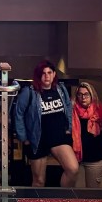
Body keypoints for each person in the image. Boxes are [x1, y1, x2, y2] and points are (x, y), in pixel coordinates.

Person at [14, 60, 79, 188]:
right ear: (38, 75)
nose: (47, 76)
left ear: (54, 74)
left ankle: (63, 198)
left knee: (73, 169)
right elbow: (18, 114)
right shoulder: (29, 92)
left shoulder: (60, 89)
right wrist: (24, 138)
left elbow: (68, 107)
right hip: (38, 139)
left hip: (58, 137)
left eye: (49, 72)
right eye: (43, 73)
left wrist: (68, 128)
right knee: (39, 181)